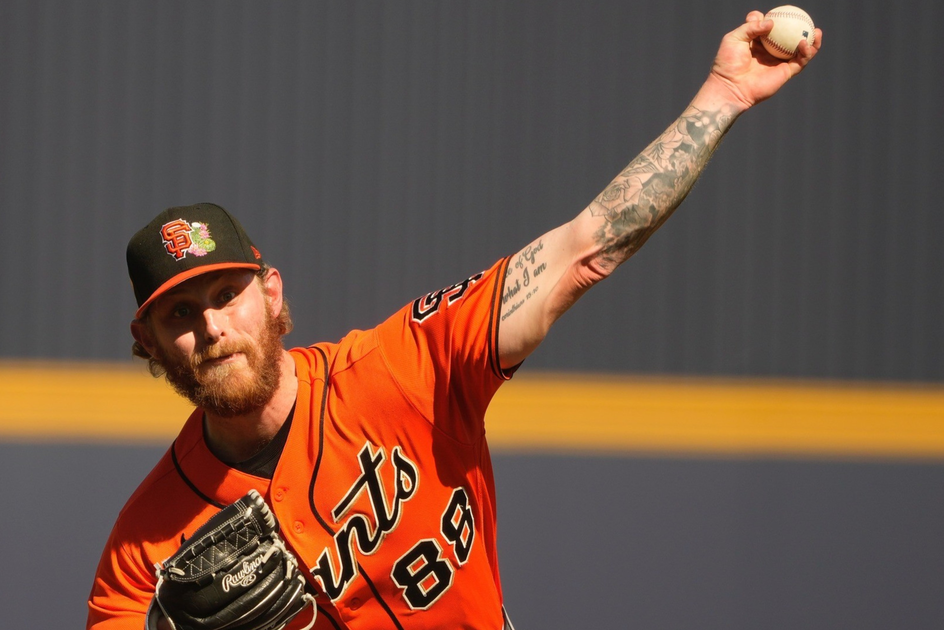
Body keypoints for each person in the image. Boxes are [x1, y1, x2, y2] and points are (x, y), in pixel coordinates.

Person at [87, 12, 821, 630]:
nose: (212, 326)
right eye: (180, 312)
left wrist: (722, 95)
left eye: (226, 294)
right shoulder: (142, 555)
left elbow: (584, 246)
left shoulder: (402, 368)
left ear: (272, 293)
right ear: (144, 341)